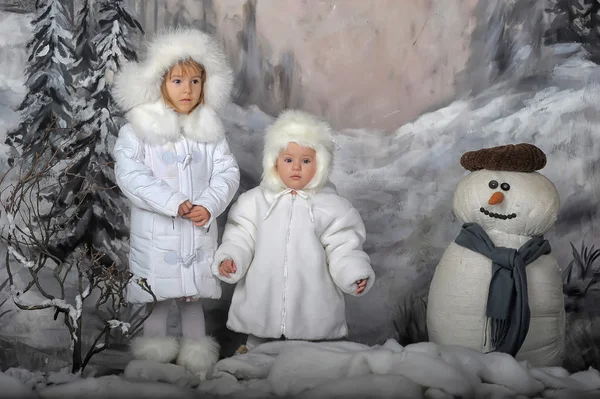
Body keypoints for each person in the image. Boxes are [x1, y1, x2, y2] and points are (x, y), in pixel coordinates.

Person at [112, 28, 240, 376]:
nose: (188, 90)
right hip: (158, 237)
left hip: (196, 236)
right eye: (179, 81)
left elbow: (227, 173)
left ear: (207, 85)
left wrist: (210, 205)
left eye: (196, 81)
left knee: (191, 300)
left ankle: (197, 362)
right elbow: (130, 174)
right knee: (160, 300)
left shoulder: (209, 131)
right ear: (160, 82)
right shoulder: (138, 129)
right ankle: (153, 365)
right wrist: (174, 202)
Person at [211, 110, 375, 353]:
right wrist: (231, 258)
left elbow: (344, 247)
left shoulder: (333, 207)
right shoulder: (254, 202)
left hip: (312, 307)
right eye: (288, 160)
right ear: (274, 161)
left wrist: (354, 273)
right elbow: (240, 236)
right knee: (257, 357)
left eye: (306, 161)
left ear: (320, 164)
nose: (296, 167)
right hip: (262, 303)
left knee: (305, 366)